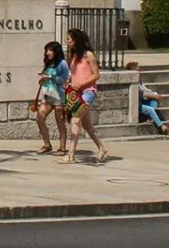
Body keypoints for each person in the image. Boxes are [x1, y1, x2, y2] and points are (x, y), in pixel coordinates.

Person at [61, 27, 115, 164]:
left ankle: (71, 154)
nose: (67, 41)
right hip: (75, 93)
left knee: (75, 119)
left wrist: (81, 84)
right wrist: (69, 84)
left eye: (69, 39)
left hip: (88, 92)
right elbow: (73, 74)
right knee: (87, 126)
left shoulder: (88, 55)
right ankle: (102, 149)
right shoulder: (72, 56)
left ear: (76, 40)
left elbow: (96, 75)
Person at [33, 41, 69, 155]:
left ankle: (62, 147)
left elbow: (63, 79)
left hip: (58, 95)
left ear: (56, 51)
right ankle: (47, 144)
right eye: (47, 50)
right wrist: (43, 80)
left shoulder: (62, 63)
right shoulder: (48, 63)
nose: (48, 53)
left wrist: (49, 77)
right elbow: (46, 78)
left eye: (50, 50)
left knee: (60, 122)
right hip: (48, 94)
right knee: (40, 118)